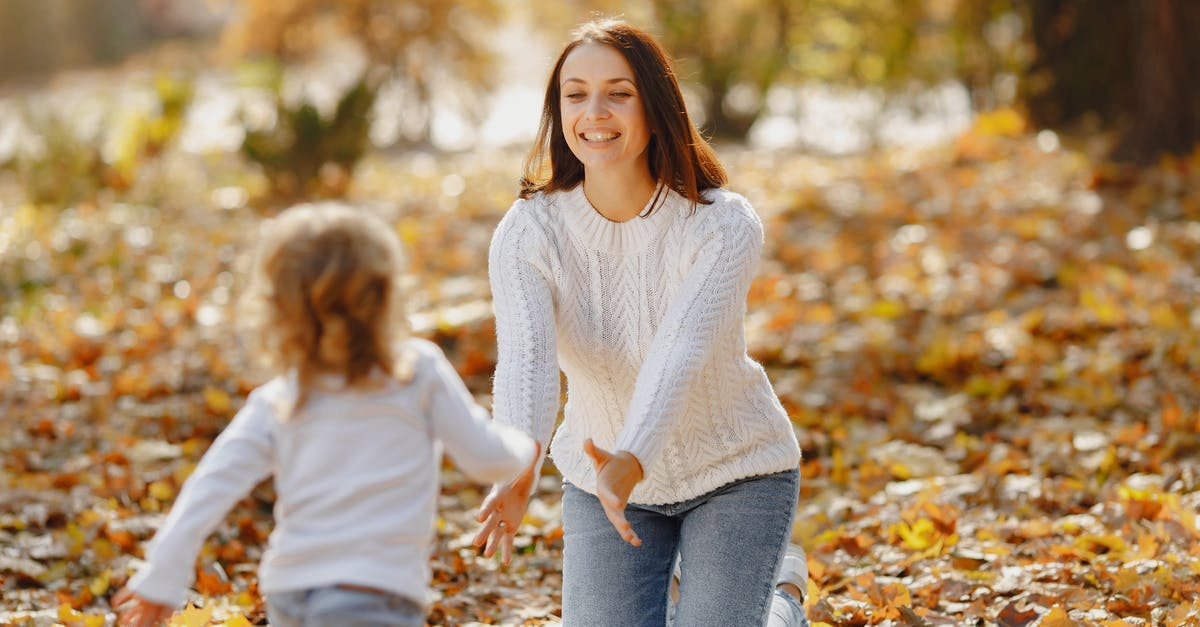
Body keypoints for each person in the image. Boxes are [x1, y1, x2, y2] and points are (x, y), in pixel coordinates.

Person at [473, 17, 809, 627]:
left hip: (735, 468)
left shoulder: (720, 225)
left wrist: (633, 455)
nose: (594, 111)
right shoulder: (529, 232)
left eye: (618, 93)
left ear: (656, 107)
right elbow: (526, 362)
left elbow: (679, 354)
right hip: (600, 480)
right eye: (575, 94)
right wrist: (519, 470)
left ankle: (780, 605)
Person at [113, 203, 537, 627]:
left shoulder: (282, 399)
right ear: (386, 295)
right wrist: (524, 448)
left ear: (278, 312)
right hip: (373, 597)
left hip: (288, 594)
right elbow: (486, 460)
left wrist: (161, 580)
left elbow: (210, 486)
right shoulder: (417, 375)